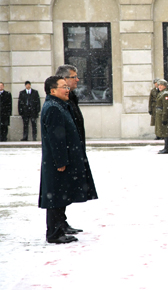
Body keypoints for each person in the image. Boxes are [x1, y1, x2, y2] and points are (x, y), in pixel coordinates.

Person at [39, 76, 98, 244]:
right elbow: (56, 139)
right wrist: (61, 161)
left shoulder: (59, 105)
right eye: (63, 87)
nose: (67, 89)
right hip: (57, 163)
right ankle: (54, 233)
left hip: (60, 161)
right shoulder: (54, 108)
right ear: (52, 91)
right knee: (55, 197)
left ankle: (59, 228)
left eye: (67, 86)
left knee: (59, 195)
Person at [155, 79, 168, 154]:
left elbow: (166, 107)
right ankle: (165, 148)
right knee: (164, 132)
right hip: (160, 115)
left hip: (163, 115)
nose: (159, 86)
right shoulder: (161, 93)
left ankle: (167, 148)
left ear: (165, 86)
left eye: (161, 85)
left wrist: (164, 118)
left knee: (166, 132)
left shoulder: (165, 94)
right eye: (159, 85)